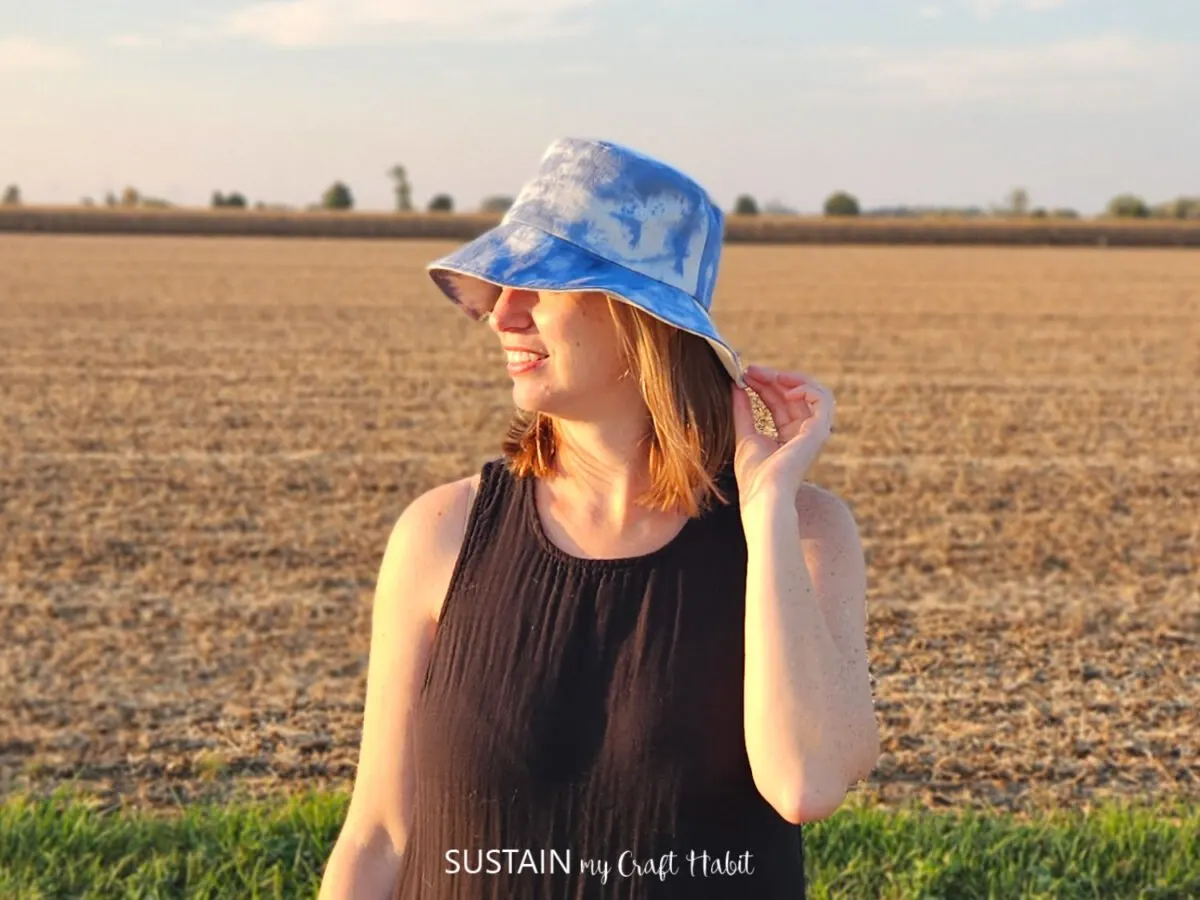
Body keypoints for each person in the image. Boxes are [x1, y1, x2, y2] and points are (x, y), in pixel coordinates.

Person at [318, 137, 880, 900]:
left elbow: (805, 783)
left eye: (539, 285)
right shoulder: (441, 534)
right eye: (499, 286)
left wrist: (768, 502)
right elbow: (379, 833)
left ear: (639, 316)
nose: (501, 315)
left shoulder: (805, 535)